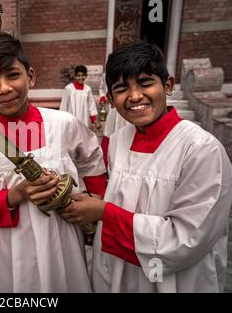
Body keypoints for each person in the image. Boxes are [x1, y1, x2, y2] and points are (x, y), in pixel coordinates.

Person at [58, 40, 232, 292]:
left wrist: (103, 212)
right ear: (112, 99)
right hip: (118, 270)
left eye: (145, 82)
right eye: (121, 88)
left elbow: (187, 239)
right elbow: (118, 198)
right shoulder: (118, 141)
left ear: (168, 85)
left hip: (173, 279)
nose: (135, 96)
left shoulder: (200, 149)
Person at [0, 32, 107, 292]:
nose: (4, 88)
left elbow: (93, 163)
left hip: (63, 239)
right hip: (10, 249)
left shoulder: (63, 124)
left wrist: (94, 205)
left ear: (31, 76)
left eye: (12, 75)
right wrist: (15, 195)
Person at [60, 65, 101, 130]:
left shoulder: (87, 89)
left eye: (83, 75)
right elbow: (64, 105)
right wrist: (62, 120)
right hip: (71, 120)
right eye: (78, 75)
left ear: (86, 75)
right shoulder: (69, 88)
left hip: (84, 120)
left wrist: (94, 120)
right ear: (75, 76)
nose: (81, 77)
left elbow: (91, 106)